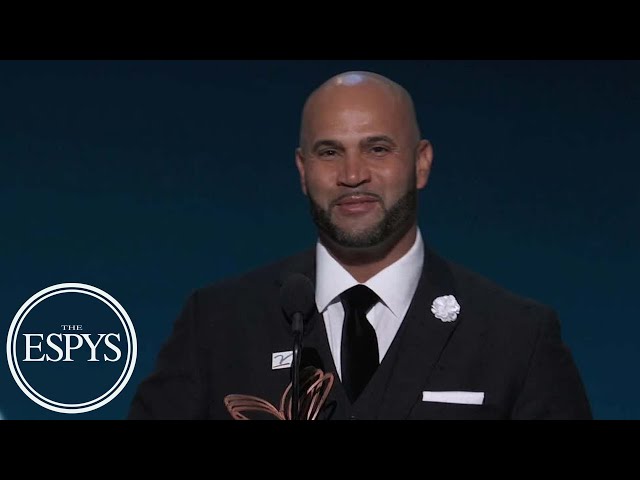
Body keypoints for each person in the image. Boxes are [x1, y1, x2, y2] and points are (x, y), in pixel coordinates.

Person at [127, 71, 592, 420]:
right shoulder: (216, 325)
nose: (352, 175)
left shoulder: (518, 338)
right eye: (330, 152)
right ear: (303, 171)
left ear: (421, 164)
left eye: (377, 149)